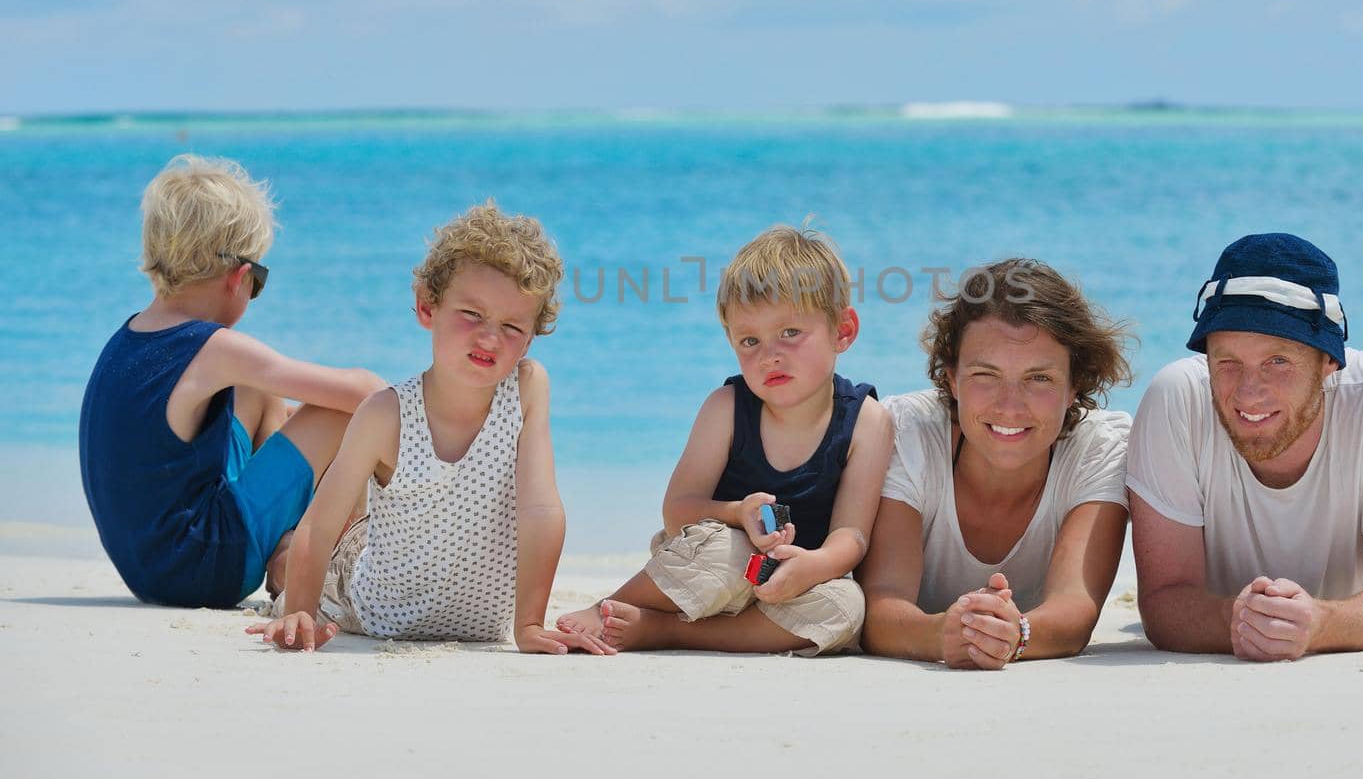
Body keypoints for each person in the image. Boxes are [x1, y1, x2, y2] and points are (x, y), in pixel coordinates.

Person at [247, 202, 609, 655]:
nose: (489, 337)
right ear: (427, 307)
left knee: (354, 530)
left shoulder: (527, 388)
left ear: (531, 337)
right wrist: (297, 609)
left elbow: (539, 508)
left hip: (479, 622)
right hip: (367, 601)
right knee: (314, 561)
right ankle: (280, 563)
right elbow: (320, 524)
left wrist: (530, 624)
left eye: (512, 325)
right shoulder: (386, 414)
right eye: (472, 315)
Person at [555, 224, 893, 655]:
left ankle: (668, 631)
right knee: (725, 552)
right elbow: (678, 512)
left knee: (847, 606)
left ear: (842, 331)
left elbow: (852, 536)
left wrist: (814, 566)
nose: (769, 354)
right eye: (749, 340)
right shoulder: (727, 407)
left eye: (790, 332)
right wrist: (737, 513)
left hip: (791, 579)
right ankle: (611, 606)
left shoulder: (867, 420)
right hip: (708, 563)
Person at [1127, 232, 1363, 662]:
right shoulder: (1176, 396)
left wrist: (1320, 624)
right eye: (1227, 361)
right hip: (1242, 597)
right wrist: (1239, 618)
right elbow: (1163, 604)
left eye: (1278, 362)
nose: (1248, 394)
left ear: (1329, 361)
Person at [79, 155, 384, 609]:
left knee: (260, 392)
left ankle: (285, 549)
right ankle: (342, 562)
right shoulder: (214, 348)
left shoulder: (129, 338)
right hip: (205, 567)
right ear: (239, 277)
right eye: (257, 281)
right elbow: (361, 392)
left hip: (150, 571)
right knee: (348, 415)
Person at [860, 259, 1134, 669]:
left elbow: (1075, 607)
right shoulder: (909, 432)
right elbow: (880, 605)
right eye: (986, 375)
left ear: (1074, 383)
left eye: (1038, 378)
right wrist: (942, 635)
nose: (1009, 406)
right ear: (951, 377)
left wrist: (1016, 635)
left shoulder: (1101, 447)